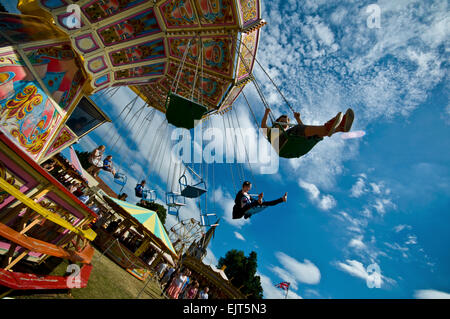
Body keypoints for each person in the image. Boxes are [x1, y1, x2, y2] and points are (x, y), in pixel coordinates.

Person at [261, 108, 354, 157]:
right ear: (278, 121)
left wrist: (298, 118)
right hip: (282, 147)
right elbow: (263, 126)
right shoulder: (272, 130)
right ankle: (332, 127)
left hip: (298, 148)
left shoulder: (290, 133)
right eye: (283, 121)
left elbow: (304, 129)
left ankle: (340, 127)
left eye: (286, 123)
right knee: (298, 129)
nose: (285, 123)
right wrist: (266, 113)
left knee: (312, 135)